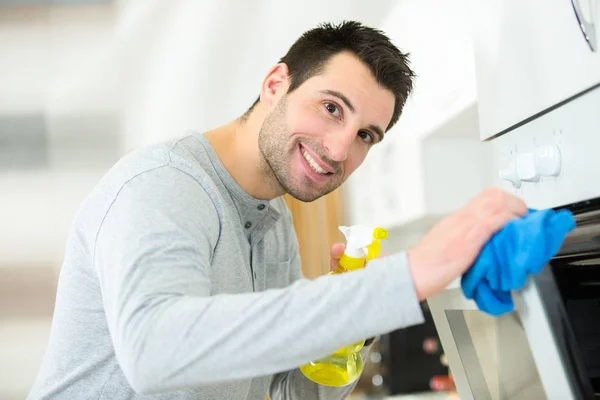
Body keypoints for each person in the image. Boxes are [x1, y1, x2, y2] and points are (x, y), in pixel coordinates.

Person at [28, 21, 529, 400]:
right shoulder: (162, 186)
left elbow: (286, 392)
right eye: (331, 107)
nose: (338, 148)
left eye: (364, 136)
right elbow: (155, 352)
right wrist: (399, 280)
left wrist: (345, 331)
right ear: (275, 84)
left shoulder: (273, 222)